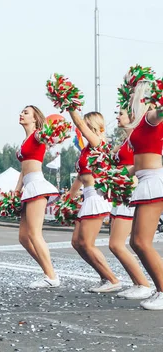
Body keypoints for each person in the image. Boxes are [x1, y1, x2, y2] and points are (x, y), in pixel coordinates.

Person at [66, 109, 119, 293]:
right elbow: (80, 177)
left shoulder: (99, 144)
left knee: (87, 243)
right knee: (77, 242)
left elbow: (78, 124)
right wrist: (68, 200)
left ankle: (112, 279)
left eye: (87, 126)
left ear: (94, 126)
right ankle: (105, 277)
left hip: (96, 196)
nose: (83, 130)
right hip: (87, 196)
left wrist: (69, 105)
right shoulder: (87, 149)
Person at [125, 77, 163, 310]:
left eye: (133, 93)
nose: (129, 97)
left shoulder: (151, 118)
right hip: (144, 179)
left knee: (141, 241)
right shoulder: (140, 123)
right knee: (135, 242)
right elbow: (138, 163)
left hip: (154, 182)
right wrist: (119, 176)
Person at [15, 105, 60, 288]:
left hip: (37, 186)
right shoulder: (25, 139)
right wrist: (17, 190)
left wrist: (55, 130)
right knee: (24, 237)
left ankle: (51, 276)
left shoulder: (37, 135)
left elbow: (50, 136)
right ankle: (48, 272)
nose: (21, 114)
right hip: (28, 186)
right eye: (21, 112)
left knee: (34, 233)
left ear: (35, 119)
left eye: (26, 112)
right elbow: (23, 168)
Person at [109, 108, 152, 299]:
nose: (118, 116)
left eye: (122, 113)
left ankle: (144, 284)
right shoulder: (125, 141)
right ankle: (138, 282)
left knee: (119, 244)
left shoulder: (137, 138)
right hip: (122, 192)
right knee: (126, 243)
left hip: (132, 192)